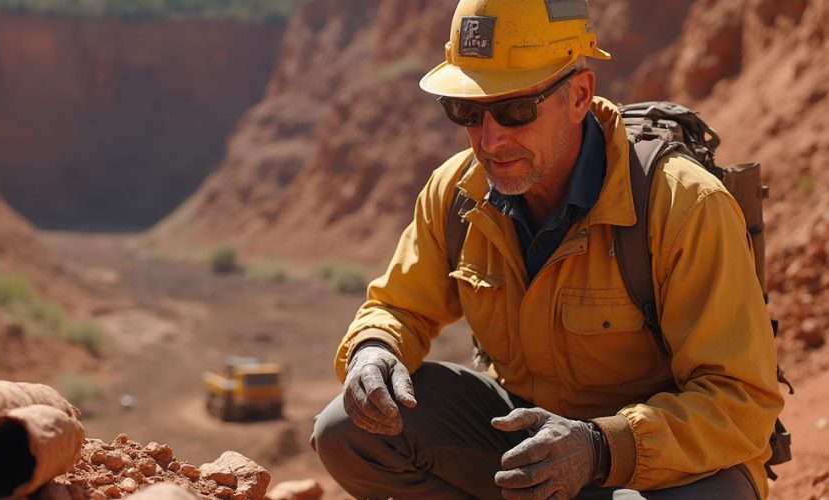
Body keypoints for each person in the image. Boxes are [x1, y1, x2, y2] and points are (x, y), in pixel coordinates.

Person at [310, 0, 785, 498]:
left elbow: (740, 403)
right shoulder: (456, 193)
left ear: (579, 95)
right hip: (529, 453)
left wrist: (602, 447)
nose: (489, 140)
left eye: (516, 110)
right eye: (467, 111)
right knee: (347, 430)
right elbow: (397, 307)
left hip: (664, 466)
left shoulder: (683, 205)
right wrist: (374, 348)